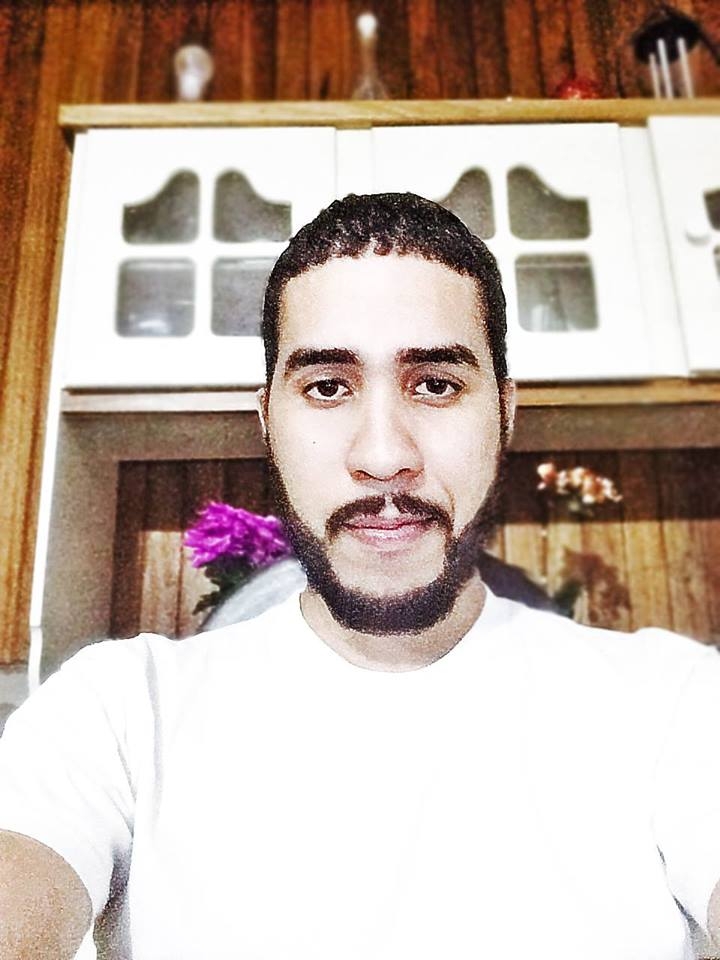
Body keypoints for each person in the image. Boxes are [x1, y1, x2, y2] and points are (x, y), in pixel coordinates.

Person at [1, 192, 719, 960]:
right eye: (327, 386)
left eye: (436, 383)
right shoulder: (118, 713)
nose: (382, 456)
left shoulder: (675, 705)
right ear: (267, 419)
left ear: (506, 412)